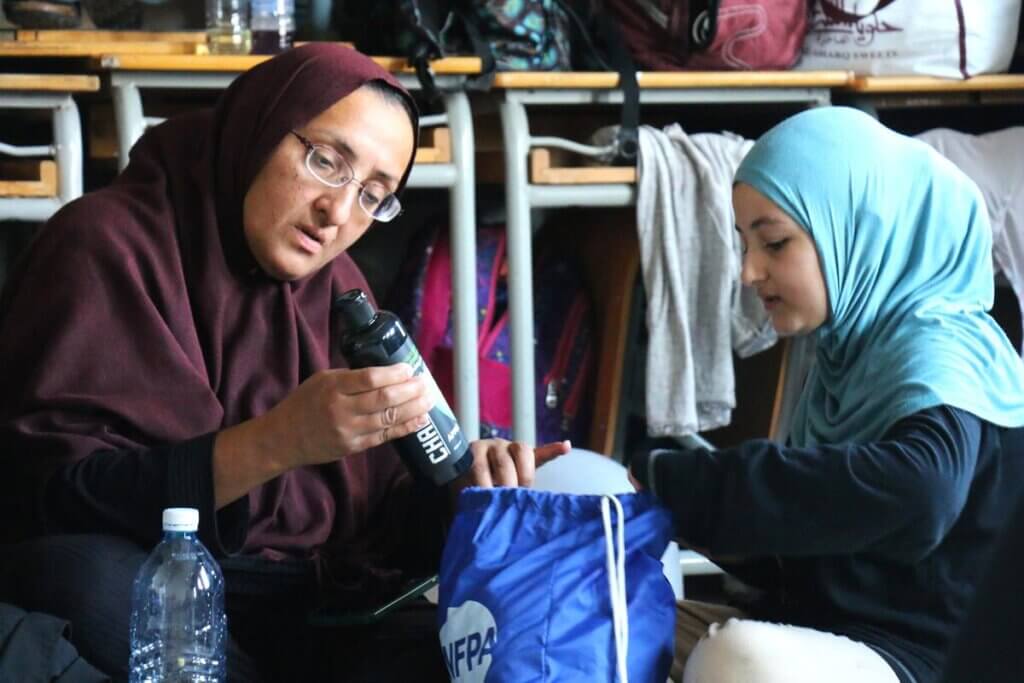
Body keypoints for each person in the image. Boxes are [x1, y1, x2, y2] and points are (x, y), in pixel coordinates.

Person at [0, 44, 568, 681]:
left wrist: (467, 494)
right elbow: (46, 499)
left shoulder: (338, 294)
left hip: (306, 611)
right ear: (262, 124)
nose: (337, 213)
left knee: (468, 649)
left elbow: (373, 525)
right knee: (99, 587)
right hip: (149, 579)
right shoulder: (106, 246)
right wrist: (276, 442)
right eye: (326, 161)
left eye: (374, 195)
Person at [628, 106, 1024, 683]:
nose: (748, 273)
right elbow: (831, 549)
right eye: (744, 244)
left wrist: (689, 487)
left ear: (862, 227)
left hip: (924, 663)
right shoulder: (850, 356)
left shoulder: (941, 350)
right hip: (837, 635)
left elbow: (921, 493)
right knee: (597, 619)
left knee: (735, 661)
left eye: (775, 243)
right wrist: (658, 512)